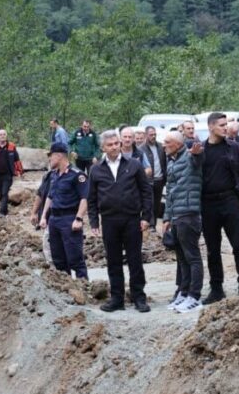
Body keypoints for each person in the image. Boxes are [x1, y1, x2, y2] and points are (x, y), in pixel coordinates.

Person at [88, 131, 154, 313]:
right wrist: (94, 223)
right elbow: (91, 198)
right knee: (113, 260)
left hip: (132, 220)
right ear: (103, 148)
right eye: (110, 145)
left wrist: (146, 217)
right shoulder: (96, 170)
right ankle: (117, 298)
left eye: (116, 143)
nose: (114, 147)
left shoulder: (133, 165)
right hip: (109, 221)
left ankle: (138, 297)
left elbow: (146, 192)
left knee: (135, 260)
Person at [199, 112, 239, 303]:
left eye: (226, 124)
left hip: (230, 200)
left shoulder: (234, 147)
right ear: (211, 127)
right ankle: (216, 289)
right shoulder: (201, 150)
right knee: (212, 250)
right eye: (221, 125)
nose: (225, 127)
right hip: (208, 204)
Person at [162, 131, 204, 313]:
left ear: (178, 144)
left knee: (192, 257)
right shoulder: (171, 162)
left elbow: (198, 160)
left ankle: (195, 297)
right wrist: (166, 218)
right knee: (182, 259)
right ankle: (184, 292)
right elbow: (170, 192)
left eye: (167, 142)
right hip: (176, 216)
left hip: (189, 215)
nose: (163, 145)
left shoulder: (189, 157)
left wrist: (196, 154)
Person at [40, 143, 90, 279]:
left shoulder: (77, 175)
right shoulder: (54, 175)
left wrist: (79, 219)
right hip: (54, 220)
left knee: (75, 258)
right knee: (58, 259)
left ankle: (83, 288)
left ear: (59, 155)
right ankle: (67, 289)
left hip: (69, 219)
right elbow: (50, 196)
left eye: (51, 156)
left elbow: (85, 198)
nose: (49, 160)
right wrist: (44, 216)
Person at [0, 129, 23, 217]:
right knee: (0, 193)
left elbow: (17, 159)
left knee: (4, 192)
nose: (2, 136)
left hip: (8, 174)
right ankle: (5, 210)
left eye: (4, 134)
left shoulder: (11, 146)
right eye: (0, 134)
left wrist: (19, 171)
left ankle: (2, 212)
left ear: (6, 136)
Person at [29, 171, 55, 265]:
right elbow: (40, 194)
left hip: (62, 217)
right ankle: (53, 270)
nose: (50, 159)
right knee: (47, 245)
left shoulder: (69, 175)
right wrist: (34, 213)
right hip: (47, 218)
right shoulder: (47, 176)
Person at [143, 126, 168, 219]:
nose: (153, 136)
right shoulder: (142, 149)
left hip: (160, 179)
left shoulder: (161, 147)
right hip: (148, 180)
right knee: (150, 202)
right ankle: (151, 225)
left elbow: (166, 161)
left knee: (157, 203)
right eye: (151, 135)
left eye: (154, 134)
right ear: (146, 135)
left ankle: (154, 223)